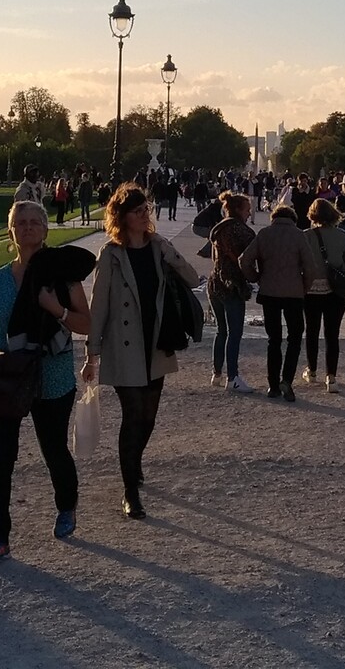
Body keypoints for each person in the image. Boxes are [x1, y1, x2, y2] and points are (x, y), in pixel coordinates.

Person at [0, 201, 93, 566]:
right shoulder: (0, 279)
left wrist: (54, 307)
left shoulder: (61, 274)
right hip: (9, 375)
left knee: (53, 449)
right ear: (10, 231)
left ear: (44, 229)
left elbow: (86, 323)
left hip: (51, 374)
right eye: (20, 222)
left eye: (33, 222)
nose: (27, 227)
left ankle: (66, 504)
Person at [83, 183, 200, 519]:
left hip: (157, 341)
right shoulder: (111, 254)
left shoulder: (159, 247)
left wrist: (168, 252)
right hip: (124, 345)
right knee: (132, 416)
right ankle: (130, 489)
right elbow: (99, 306)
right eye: (137, 211)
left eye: (145, 209)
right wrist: (92, 354)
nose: (144, 215)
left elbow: (193, 279)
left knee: (149, 417)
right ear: (121, 217)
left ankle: (134, 463)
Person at [239, 201, 322, 401]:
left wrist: (256, 277)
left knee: (273, 340)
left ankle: (273, 385)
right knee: (295, 337)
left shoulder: (264, 234)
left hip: (269, 292)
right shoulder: (299, 235)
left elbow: (244, 260)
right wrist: (303, 287)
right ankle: (287, 379)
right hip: (293, 293)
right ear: (293, 219)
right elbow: (311, 268)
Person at [207, 191, 258, 394]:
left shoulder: (218, 229)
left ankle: (217, 373)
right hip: (232, 284)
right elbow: (250, 258)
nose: (249, 213)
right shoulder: (242, 231)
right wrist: (255, 277)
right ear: (238, 210)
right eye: (247, 210)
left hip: (215, 283)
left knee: (221, 331)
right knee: (235, 333)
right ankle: (233, 377)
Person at [303, 198, 345, 391]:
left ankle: (312, 371)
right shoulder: (343, 236)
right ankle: (331, 377)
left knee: (312, 331)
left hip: (311, 290)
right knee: (332, 334)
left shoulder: (306, 236)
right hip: (336, 291)